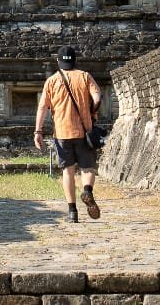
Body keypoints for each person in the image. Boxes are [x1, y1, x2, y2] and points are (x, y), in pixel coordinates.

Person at [32, 45, 102, 222]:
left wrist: (38, 131)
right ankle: (87, 191)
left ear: (58, 61)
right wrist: (92, 112)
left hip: (62, 132)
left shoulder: (52, 81)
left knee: (68, 172)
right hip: (84, 131)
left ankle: (72, 212)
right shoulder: (85, 76)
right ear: (75, 60)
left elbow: (42, 107)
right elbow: (97, 97)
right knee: (88, 168)